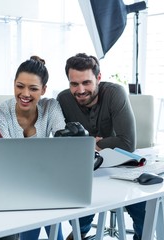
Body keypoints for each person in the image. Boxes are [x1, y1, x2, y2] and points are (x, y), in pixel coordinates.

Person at [56, 53, 145, 240]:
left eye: (86, 83)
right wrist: (92, 142)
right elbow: (65, 143)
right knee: (82, 191)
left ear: (98, 78)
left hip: (119, 166)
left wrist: (90, 142)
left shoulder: (114, 93)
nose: (80, 90)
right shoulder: (63, 99)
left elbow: (127, 143)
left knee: (142, 204)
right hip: (86, 167)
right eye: (74, 84)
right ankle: (81, 232)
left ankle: (142, 235)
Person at [0, 56, 65, 240]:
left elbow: (64, 144)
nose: (25, 94)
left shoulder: (51, 106)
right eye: (20, 86)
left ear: (44, 90)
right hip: (11, 184)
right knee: (44, 200)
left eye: (33, 89)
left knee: (45, 197)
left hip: (45, 182)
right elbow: (6, 158)